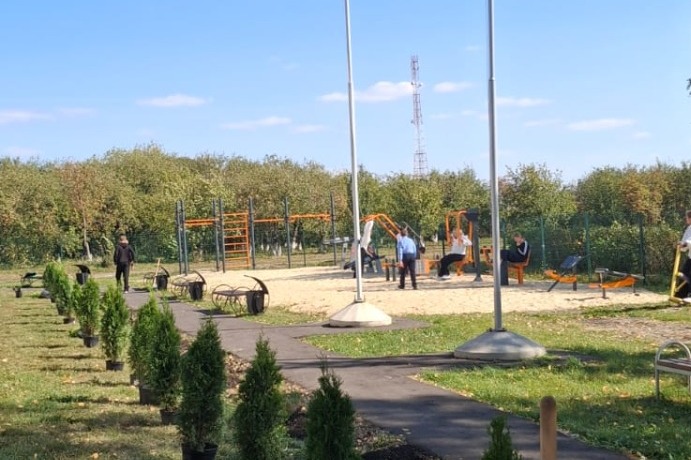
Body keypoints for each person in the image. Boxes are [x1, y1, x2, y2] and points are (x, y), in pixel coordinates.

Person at [676, 210, 691, 298]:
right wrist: (681, 245)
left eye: (687, 218)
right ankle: (681, 295)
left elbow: (689, 242)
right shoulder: (689, 228)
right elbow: (685, 242)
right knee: (683, 274)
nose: (686, 219)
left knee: (687, 275)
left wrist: (684, 244)